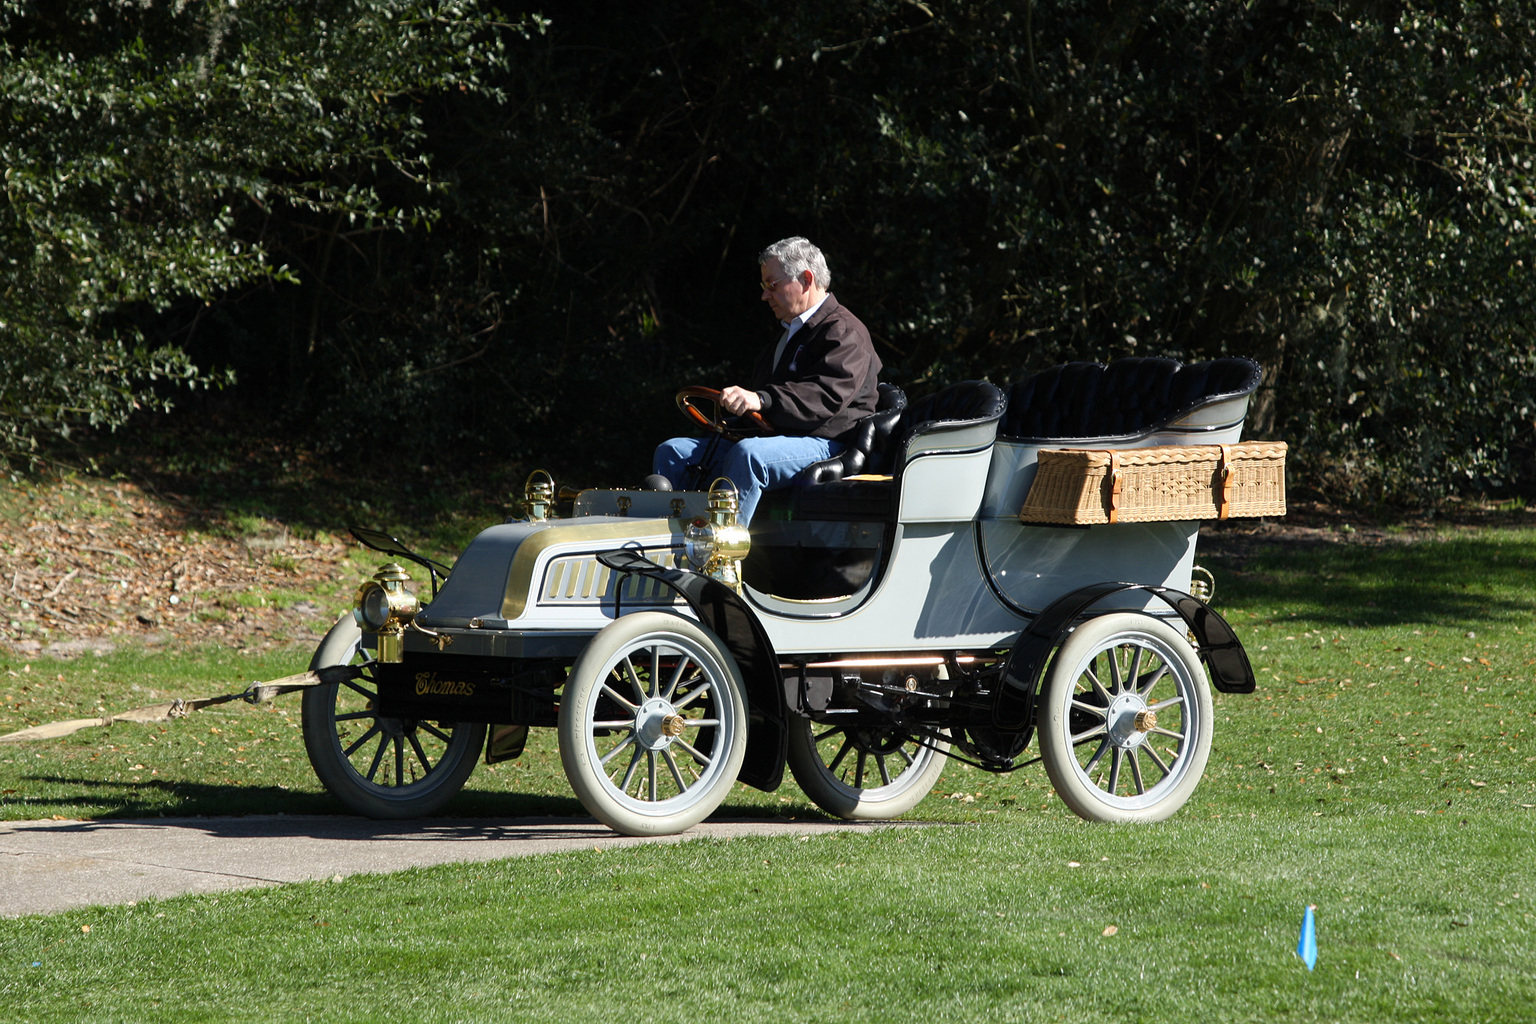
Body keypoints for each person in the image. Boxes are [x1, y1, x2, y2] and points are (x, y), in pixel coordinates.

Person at [652, 236, 881, 523]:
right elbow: (766, 409)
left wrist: (760, 399)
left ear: (806, 279)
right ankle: (666, 552)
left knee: (749, 455)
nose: (764, 295)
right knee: (673, 451)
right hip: (776, 436)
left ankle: (717, 561)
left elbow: (823, 397)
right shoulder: (788, 335)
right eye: (764, 287)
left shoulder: (845, 332)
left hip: (827, 443)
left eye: (771, 285)